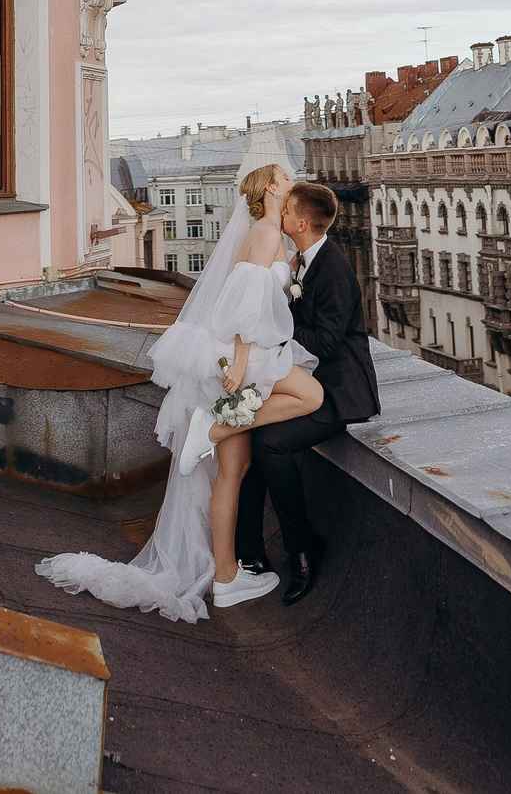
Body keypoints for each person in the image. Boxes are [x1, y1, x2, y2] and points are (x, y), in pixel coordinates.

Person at [35, 166, 341, 617]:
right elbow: (244, 307)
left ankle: (225, 577)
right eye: (284, 174)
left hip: (237, 355)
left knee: (231, 474)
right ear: (273, 188)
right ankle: (213, 430)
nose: (291, 176)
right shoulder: (267, 232)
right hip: (248, 356)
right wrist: (240, 365)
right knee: (311, 396)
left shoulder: (265, 232)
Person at [231, 175, 379, 605]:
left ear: (299, 224)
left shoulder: (332, 269)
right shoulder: (305, 258)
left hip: (339, 390)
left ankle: (301, 548)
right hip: (310, 379)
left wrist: (274, 333)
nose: (280, 213)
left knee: (270, 446)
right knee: (252, 441)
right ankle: (250, 554)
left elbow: (329, 343)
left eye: (286, 209)